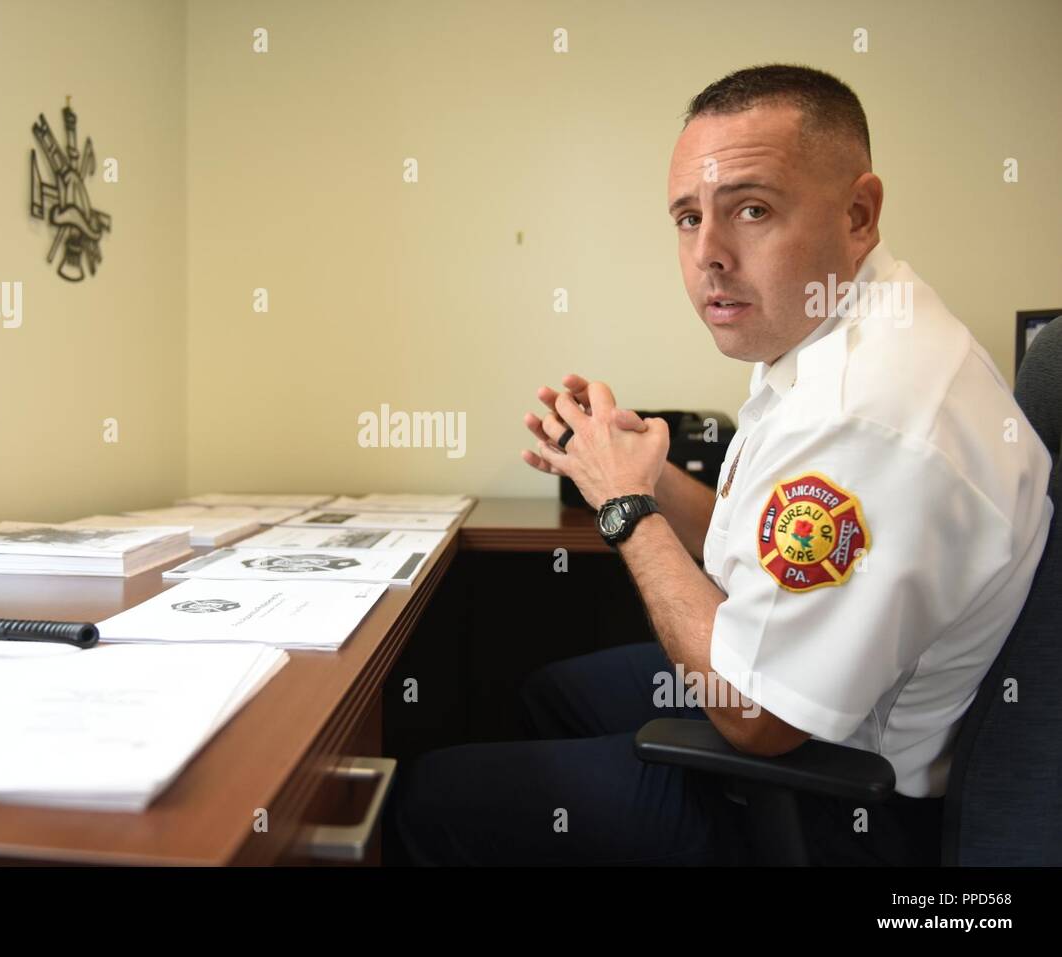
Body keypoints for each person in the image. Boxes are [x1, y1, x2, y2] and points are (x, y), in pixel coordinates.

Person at [391, 63, 1054, 866]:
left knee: (429, 796)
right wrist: (648, 472)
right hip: (813, 693)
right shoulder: (832, 326)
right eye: (686, 217)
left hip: (833, 802)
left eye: (751, 209)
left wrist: (625, 508)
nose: (708, 254)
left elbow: (755, 716)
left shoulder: (867, 412)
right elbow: (759, 548)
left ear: (858, 213)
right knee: (549, 692)